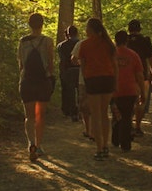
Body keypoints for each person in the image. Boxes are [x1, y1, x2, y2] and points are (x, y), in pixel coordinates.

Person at [74, 17, 117, 160]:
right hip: (108, 79)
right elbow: (115, 65)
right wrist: (115, 81)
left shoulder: (84, 45)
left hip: (93, 80)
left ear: (90, 30)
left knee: (96, 115)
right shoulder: (109, 44)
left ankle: (99, 148)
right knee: (104, 114)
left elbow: (83, 65)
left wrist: (85, 82)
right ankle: (105, 146)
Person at [18, 13, 55, 162]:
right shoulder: (47, 41)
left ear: (29, 24)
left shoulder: (23, 41)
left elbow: (21, 64)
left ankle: (31, 144)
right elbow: (51, 64)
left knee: (29, 116)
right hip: (42, 82)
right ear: (42, 24)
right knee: (40, 115)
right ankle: (39, 145)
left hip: (27, 81)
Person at [110, 30, 146, 152]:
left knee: (116, 114)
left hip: (114, 90)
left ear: (115, 40)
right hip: (130, 90)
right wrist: (143, 92)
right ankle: (125, 144)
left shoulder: (111, 55)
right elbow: (140, 76)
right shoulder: (133, 55)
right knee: (126, 116)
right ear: (127, 41)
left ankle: (115, 138)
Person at [127, 19, 152, 135]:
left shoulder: (125, 41)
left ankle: (128, 124)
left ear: (129, 29)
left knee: (129, 100)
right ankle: (138, 126)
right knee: (141, 101)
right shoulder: (145, 41)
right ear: (140, 29)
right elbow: (151, 59)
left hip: (127, 76)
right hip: (143, 75)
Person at [57, 25, 81, 121]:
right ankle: (81, 111)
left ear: (67, 34)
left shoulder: (61, 46)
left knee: (68, 92)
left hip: (67, 70)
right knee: (81, 92)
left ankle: (70, 111)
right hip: (79, 69)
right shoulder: (81, 44)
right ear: (77, 33)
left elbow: (62, 60)